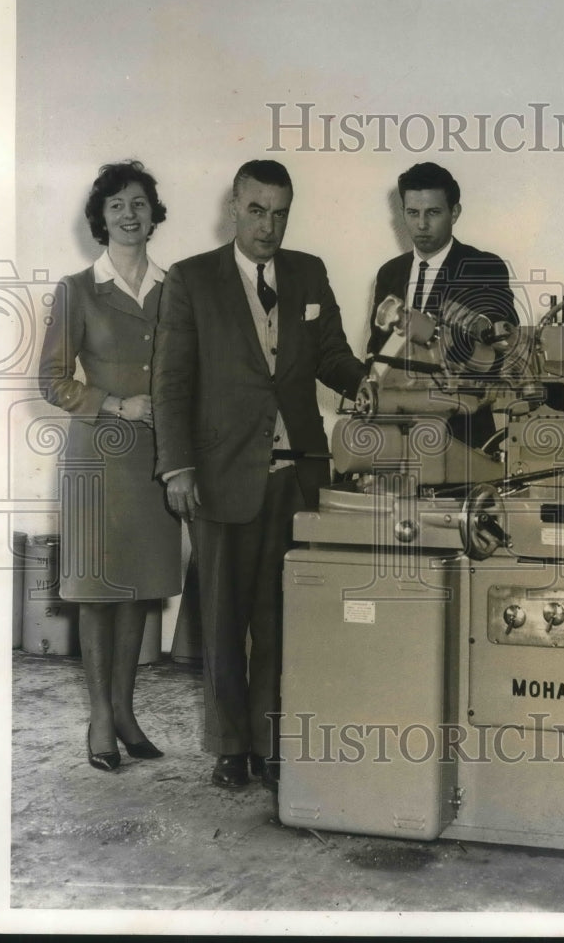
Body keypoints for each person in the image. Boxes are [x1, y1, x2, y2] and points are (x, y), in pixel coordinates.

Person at [152, 160, 366, 792]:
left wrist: (371, 389)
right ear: (233, 208)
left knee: (283, 617)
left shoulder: (309, 273)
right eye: (256, 210)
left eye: (280, 214)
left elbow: (332, 357)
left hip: (297, 477)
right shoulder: (191, 280)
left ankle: (273, 743)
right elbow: (170, 383)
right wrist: (177, 466)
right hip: (219, 475)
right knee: (222, 619)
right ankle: (228, 746)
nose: (268, 226)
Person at [38, 160, 181, 772]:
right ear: (101, 218)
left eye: (140, 203)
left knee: (139, 590)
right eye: (117, 204)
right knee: (98, 592)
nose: (129, 213)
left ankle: (125, 711)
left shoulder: (176, 289)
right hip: (97, 456)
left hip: (154, 459)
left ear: (153, 215)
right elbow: (52, 380)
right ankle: (100, 716)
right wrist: (117, 403)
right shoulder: (77, 288)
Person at [367, 162, 518, 446]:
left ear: (455, 212)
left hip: (461, 436)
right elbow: (376, 350)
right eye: (412, 213)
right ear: (402, 213)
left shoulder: (483, 267)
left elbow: (499, 347)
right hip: (394, 435)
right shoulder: (389, 273)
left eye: (433, 212)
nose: (421, 224)